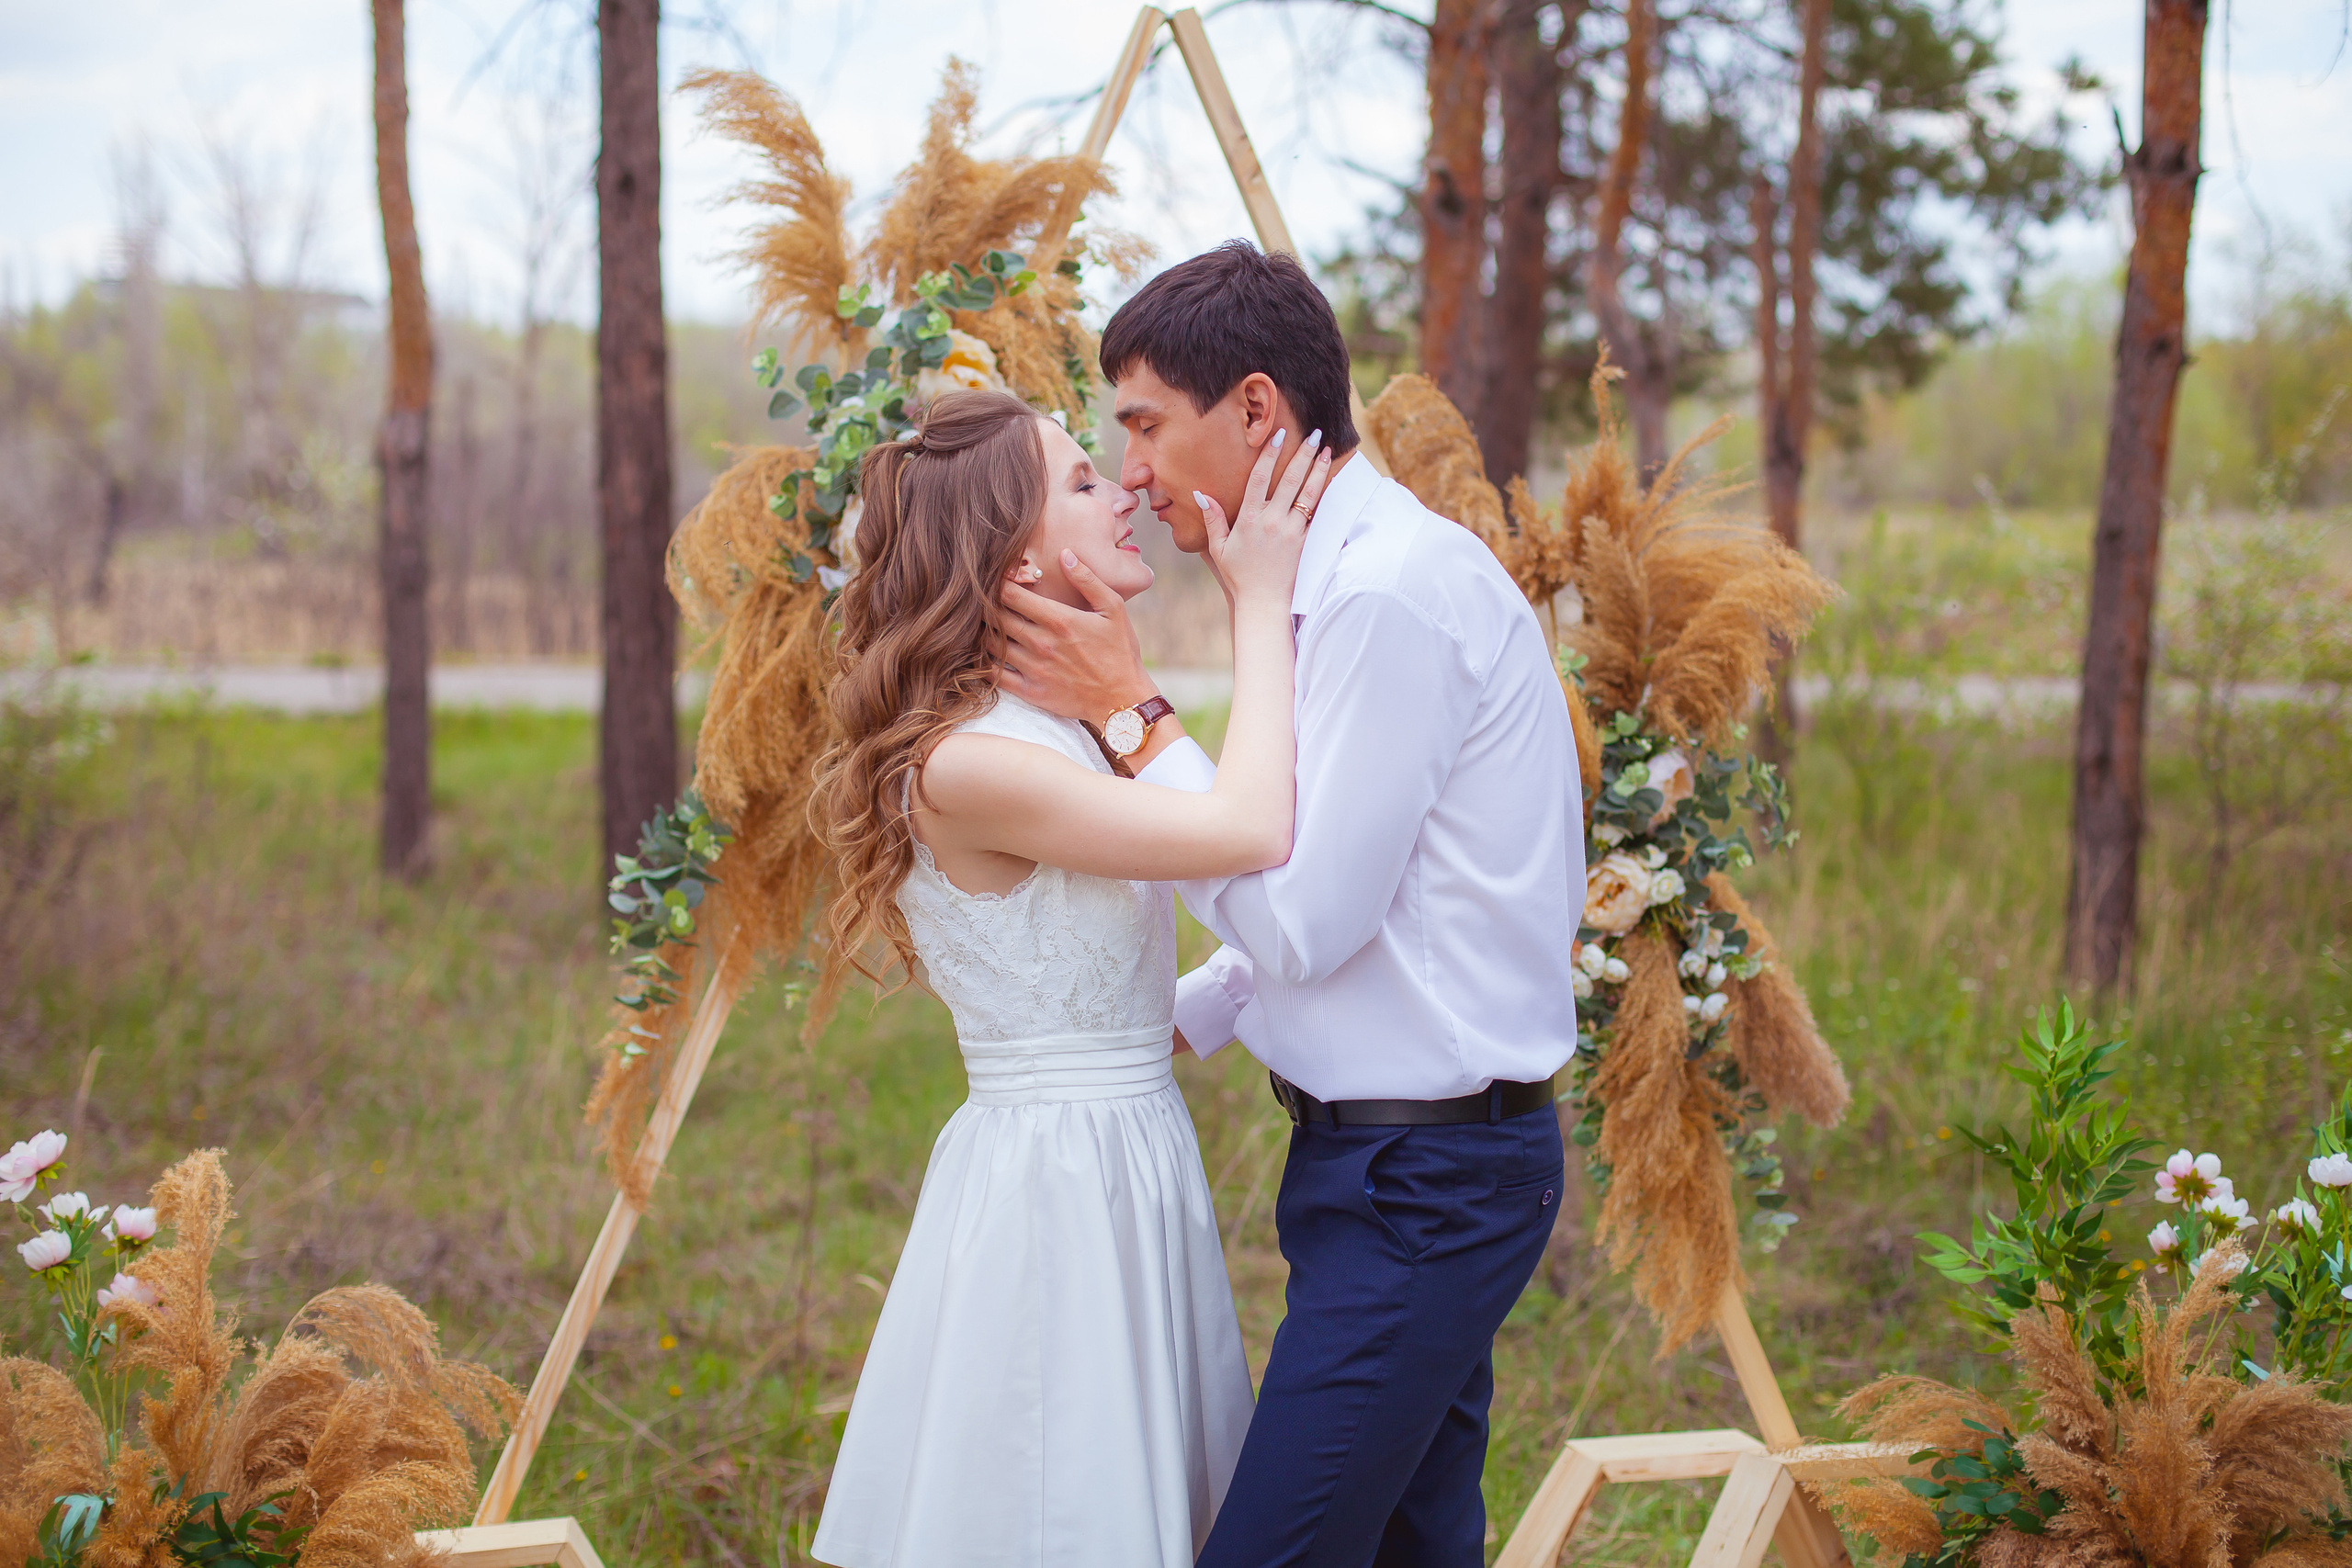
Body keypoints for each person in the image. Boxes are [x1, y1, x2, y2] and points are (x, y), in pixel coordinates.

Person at [996, 241, 1586, 1567]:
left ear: (1256, 409)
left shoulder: (1382, 594)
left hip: (1431, 1181)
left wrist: (1132, 717)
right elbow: (1377, 892)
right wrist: (1194, 1011)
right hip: (1375, 1165)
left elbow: (1304, 911)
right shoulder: (1320, 589)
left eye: (1144, 426)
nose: (1132, 471)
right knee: (1412, 1550)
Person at [807, 385, 1335, 1568]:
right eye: (1083, 483)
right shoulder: (972, 766)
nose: (1126, 491)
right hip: (1055, 1188)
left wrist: (1277, 968)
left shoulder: (1063, 735)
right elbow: (1249, 828)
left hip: (1126, 1154)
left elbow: (1120, 1017)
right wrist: (1260, 599)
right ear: (1010, 555)